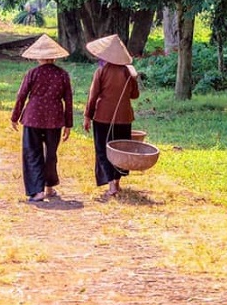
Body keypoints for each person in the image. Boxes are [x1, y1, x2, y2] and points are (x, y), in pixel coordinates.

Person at [11, 34, 73, 202]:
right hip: (55, 118)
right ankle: (49, 187)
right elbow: (68, 100)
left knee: (32, 153)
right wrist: (68, 124)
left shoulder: (32, 73)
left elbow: (21, 95)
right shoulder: (62, 75)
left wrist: (15, 116)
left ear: (38, 57)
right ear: (54, 57)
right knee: (51, 154)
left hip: (33, 117)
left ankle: (37, 191)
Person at [83, 34, 139, 197]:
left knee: (103, 149)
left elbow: (93, 97)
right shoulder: (129, 72)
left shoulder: (101, 71)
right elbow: (135, 95)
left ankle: (111, 185)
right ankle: (116, 182)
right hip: (124, 117)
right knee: (120, 149)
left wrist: (87, 116)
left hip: (102, 117)